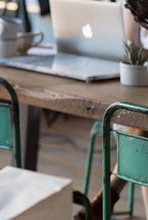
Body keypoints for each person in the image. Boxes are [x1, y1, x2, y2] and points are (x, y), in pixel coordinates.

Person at [75, 2, 148, 219]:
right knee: (139, 121)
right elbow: (132, 48)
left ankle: (106, 197)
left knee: (141, 126)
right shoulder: (136, 4)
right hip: (141, 88)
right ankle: (106, 198)